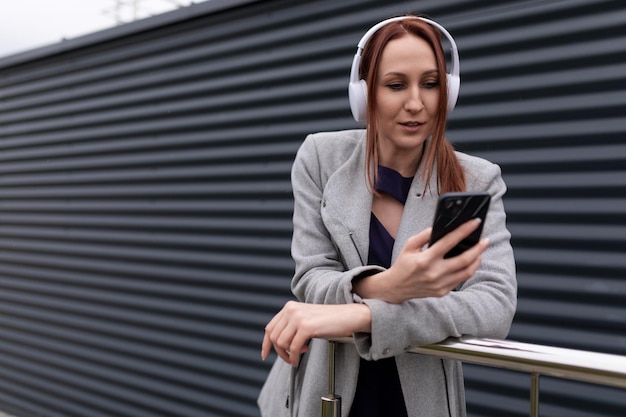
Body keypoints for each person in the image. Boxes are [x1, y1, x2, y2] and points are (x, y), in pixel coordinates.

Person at [258, 14, 517, 417]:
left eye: (431, 84)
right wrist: (389, 285)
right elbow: (310, 278)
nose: (416, 103)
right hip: (323, 392)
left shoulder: (477, 179)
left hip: (419, 400)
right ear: (364, 95)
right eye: (396, 85)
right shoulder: (321, 158)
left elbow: (494, 306)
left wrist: (362, 312)